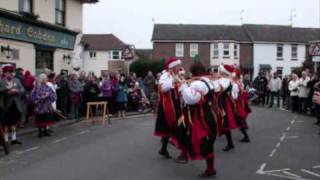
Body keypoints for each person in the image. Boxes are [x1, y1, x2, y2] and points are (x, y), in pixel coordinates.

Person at [178, 62, 218, 178]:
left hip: (202, 117)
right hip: (211, 114)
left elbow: (191, 99)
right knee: (208, 142)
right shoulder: (209, 81)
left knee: (202, 141)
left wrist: (184, 86)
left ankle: (209, 169)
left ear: (194, 72)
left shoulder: (197, 84)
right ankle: (210, 169)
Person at [154, 57, 184, 159]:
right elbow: (162, 88)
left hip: (176, 104)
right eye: (178, 66)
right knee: (178, 126)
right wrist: (172, 82)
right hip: (168, 106)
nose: (179, 67)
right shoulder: (165, 75)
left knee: (171, 127)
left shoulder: (176, 75)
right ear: (173, 67)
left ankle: (163, 149)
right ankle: (183, 152)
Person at [0, 64, 25, 145]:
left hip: (16, 105)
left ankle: (14, 139)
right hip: (6, 105)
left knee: (14, 122)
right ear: (4, 73)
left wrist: (16, 91)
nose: (9, 74)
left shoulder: (17, 80)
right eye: (7, 73)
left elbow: (22, 89)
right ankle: (6, 139)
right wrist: (6, 90)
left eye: (10, 73)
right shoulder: (1, 81)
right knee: (6, 123)